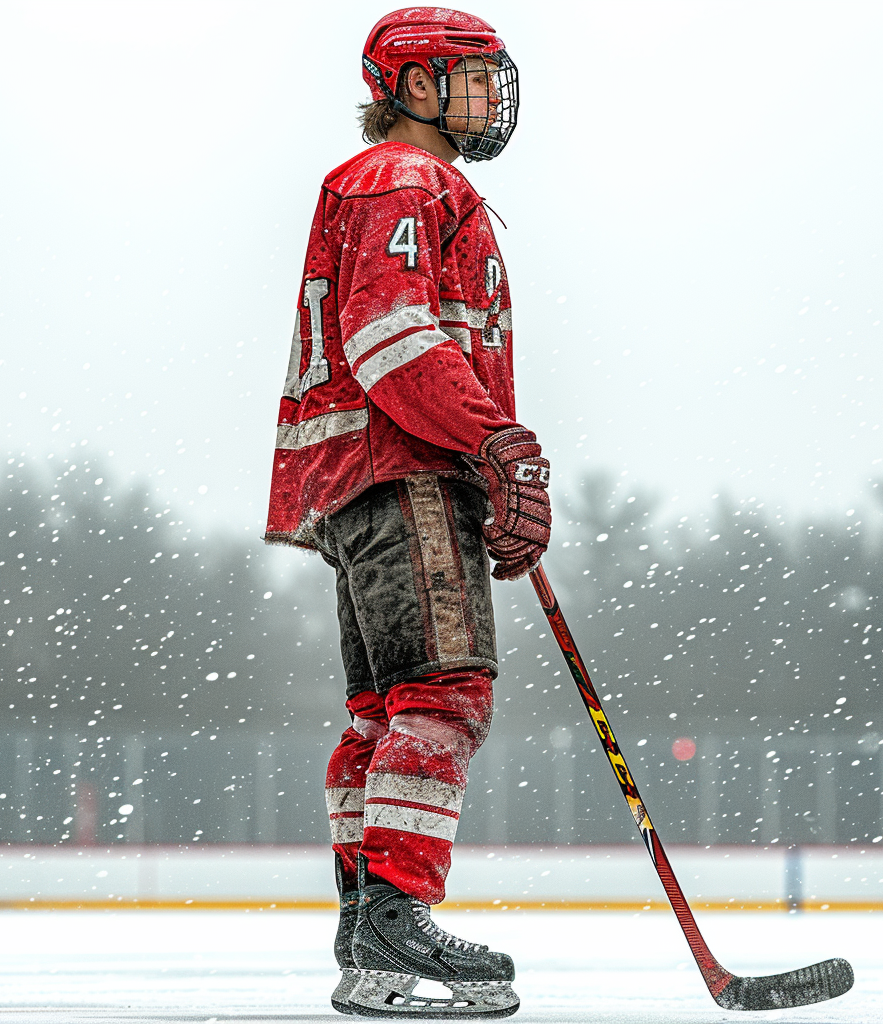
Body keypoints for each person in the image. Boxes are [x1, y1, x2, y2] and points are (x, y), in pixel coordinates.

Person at [264, 8, 550, 1017]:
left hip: (356, 475)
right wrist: (493, 445)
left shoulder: (383, 181)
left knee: (382, 713)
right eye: (470, 76)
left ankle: (369, 940)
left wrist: (485, 460)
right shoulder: (405, 177)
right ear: (414, 87)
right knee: (443, 691)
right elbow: (389, 329)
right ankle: (395, 910)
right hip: (402, 462)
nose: (488, 96)